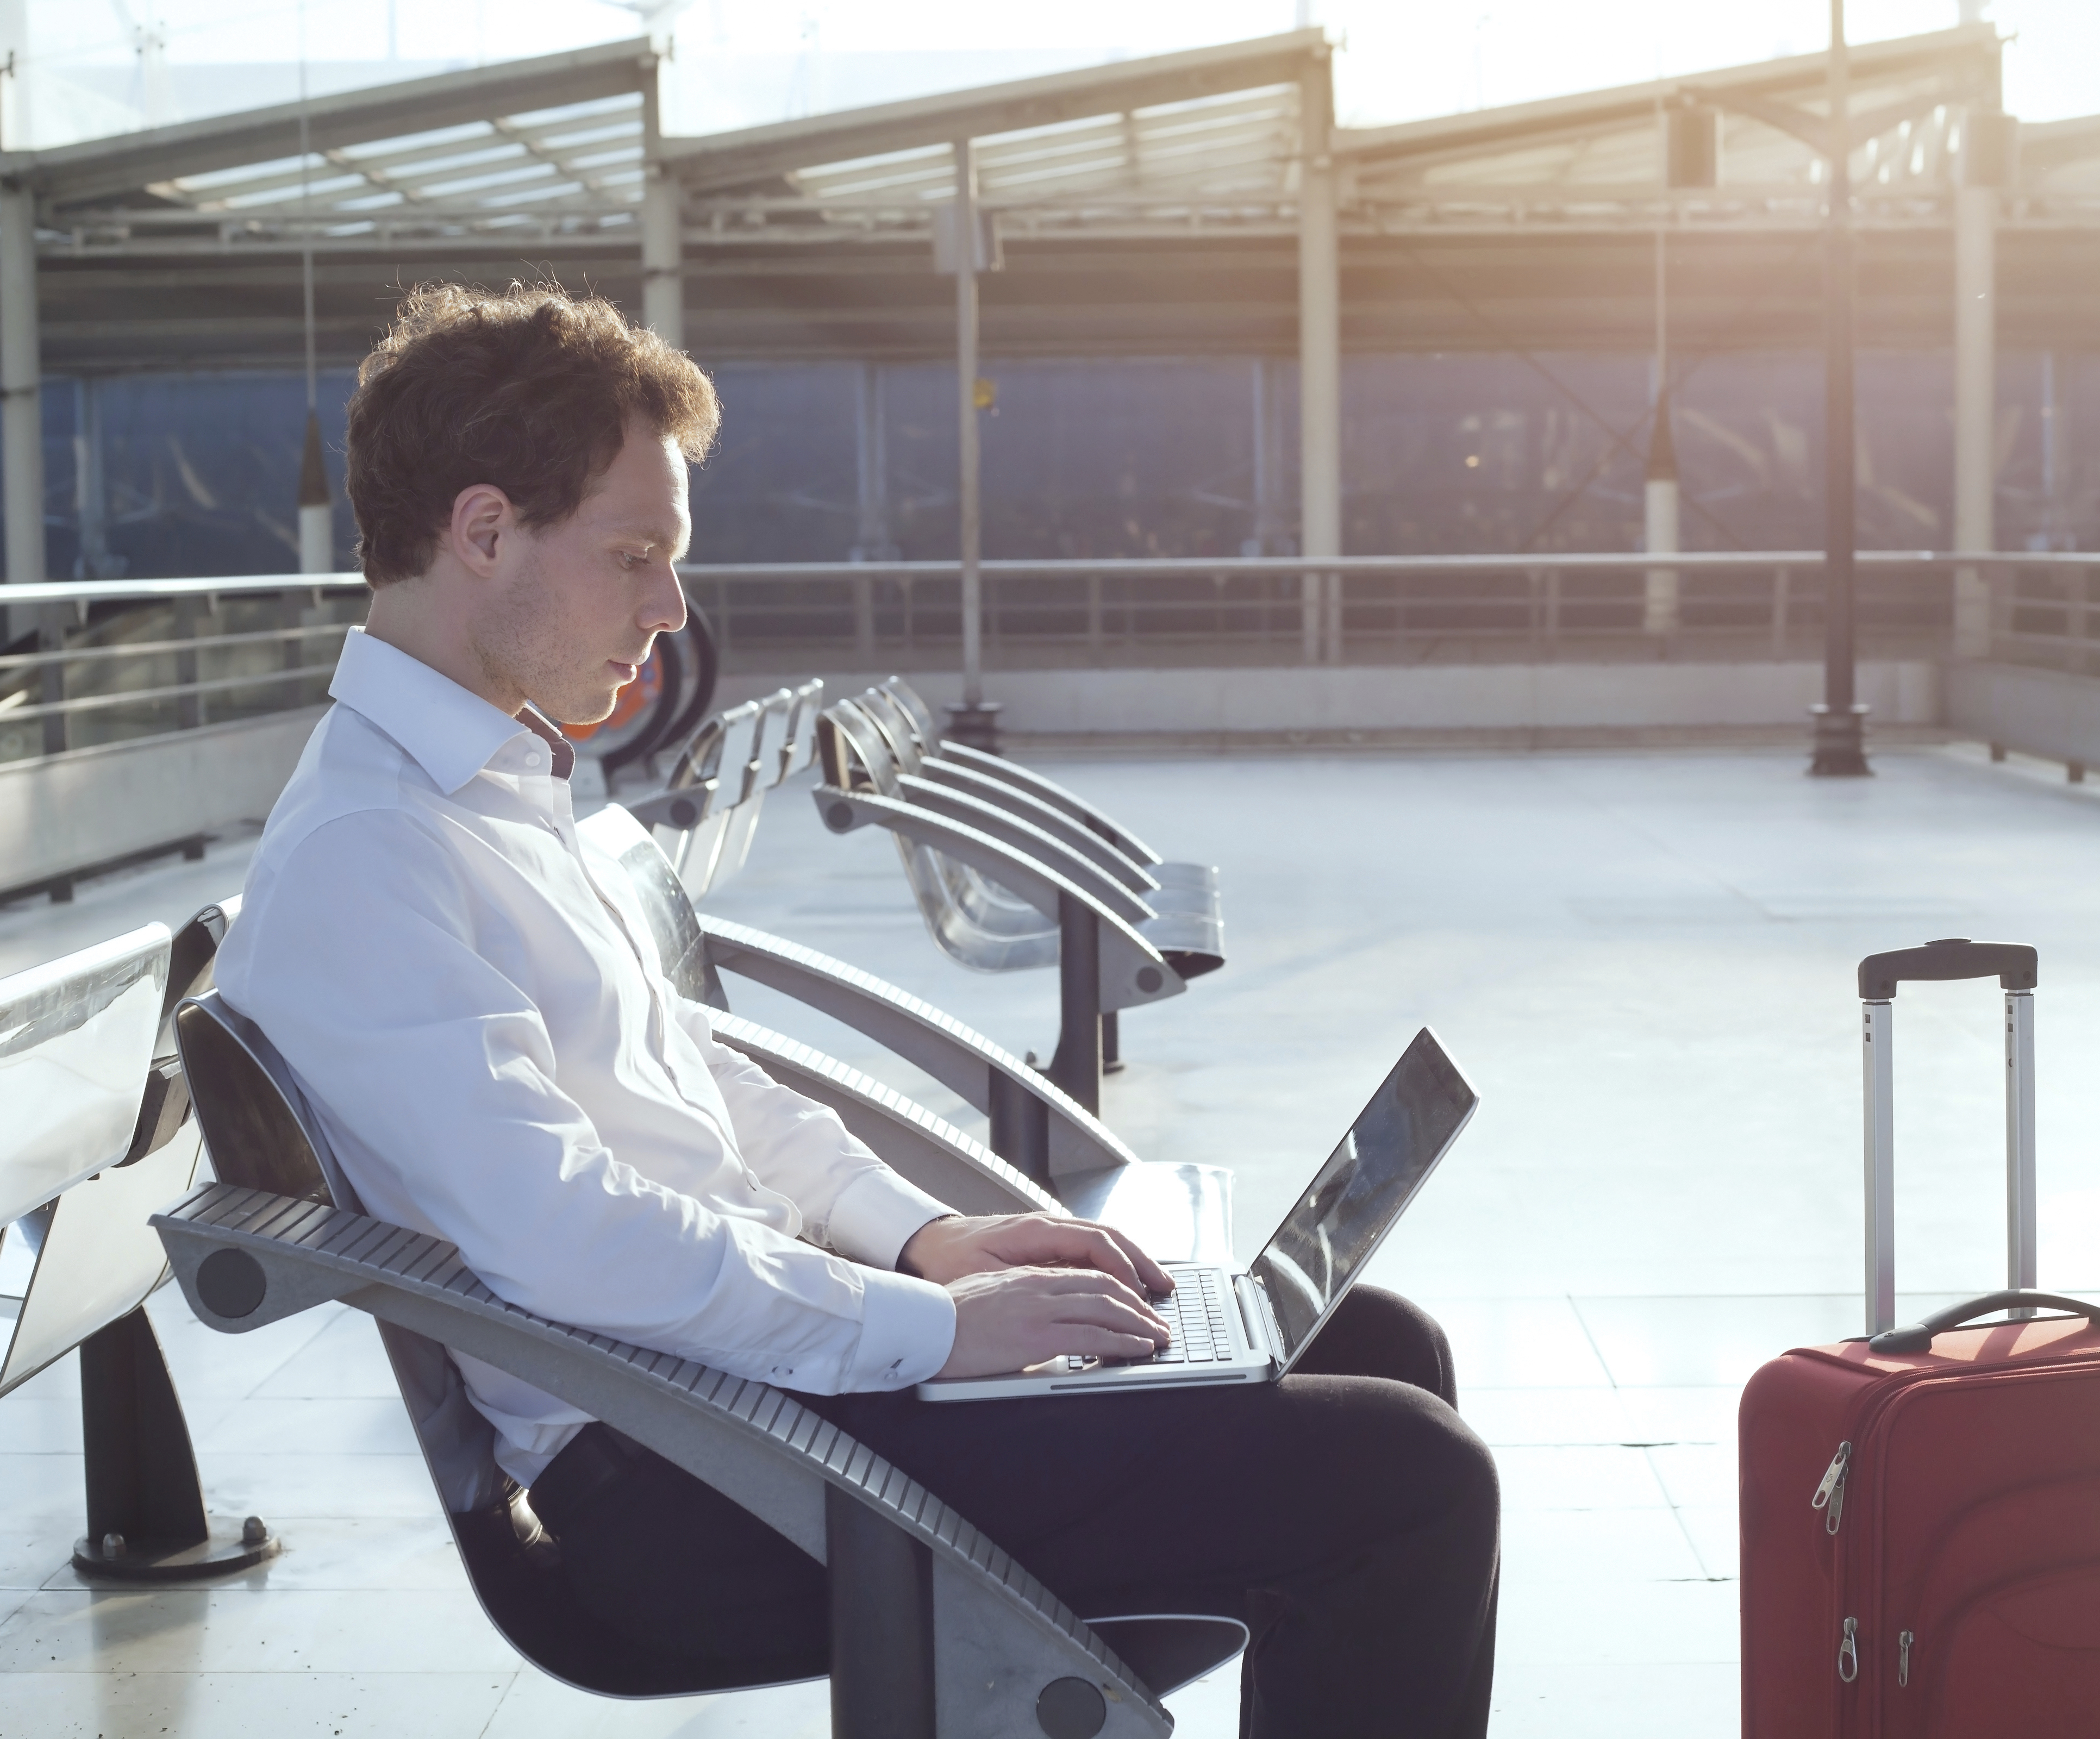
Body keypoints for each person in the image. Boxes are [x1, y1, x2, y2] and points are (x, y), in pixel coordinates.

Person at [216, 281, 1498, 1737]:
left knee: (1374, 1344)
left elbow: (694, 1076)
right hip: (686, 1478)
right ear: (484, 529)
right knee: (1406, 1483)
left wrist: (929, 1242)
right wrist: (931, 1331)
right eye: (635, 555)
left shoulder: (487, 785)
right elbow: (564, 1236)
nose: (670, 609)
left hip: (745, 1394)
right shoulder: (372, 852)